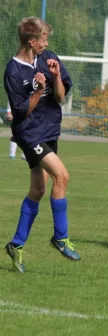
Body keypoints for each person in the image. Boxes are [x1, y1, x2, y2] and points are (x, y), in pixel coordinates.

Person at [4, 17, 80, 273]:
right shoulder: (13, 71)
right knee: (62, 176)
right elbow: (22, 111)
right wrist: (37, 90)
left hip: (49, 131)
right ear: (32, 41)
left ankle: (16, 244)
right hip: (29, 133)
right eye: (44, 39)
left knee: (38, 190)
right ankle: (60, 237)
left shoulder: (48, 58)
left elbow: (60, 97)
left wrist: (56, 76)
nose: (47, 43)